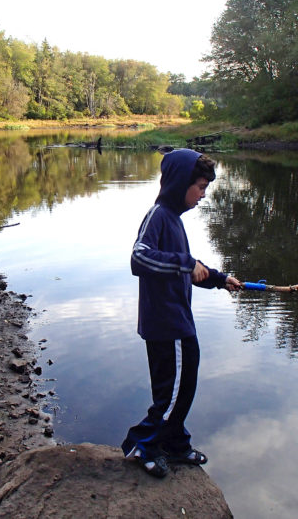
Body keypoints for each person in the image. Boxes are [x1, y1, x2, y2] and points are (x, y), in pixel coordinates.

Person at [121, 148, 242, 478]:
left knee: (185, 385)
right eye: (200, 187)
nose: (203, 195)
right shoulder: (158, 215)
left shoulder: (173, 220)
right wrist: (187, 263)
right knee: (170, 392)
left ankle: (174, 443)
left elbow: (185, 269)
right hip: (165, 323)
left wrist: (218, 279)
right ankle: (142, 444)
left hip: (179, 320)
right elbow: (140, 259)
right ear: (179, 182)